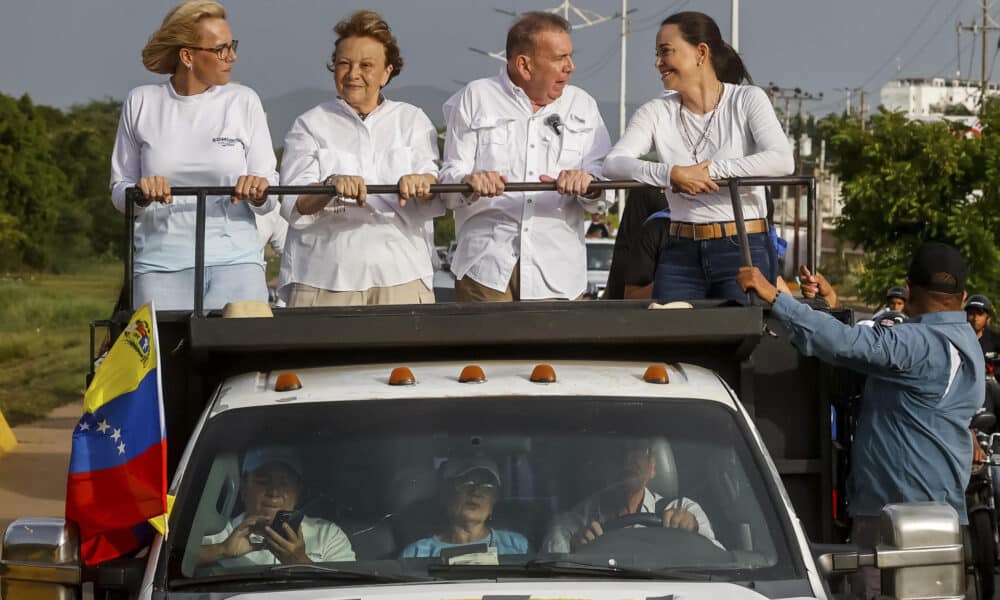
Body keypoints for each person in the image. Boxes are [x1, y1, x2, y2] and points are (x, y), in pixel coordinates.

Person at [737, 242, 984, 599]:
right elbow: (872, 349)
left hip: (897, 518)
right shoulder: (966, 342)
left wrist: (777, 298)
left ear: (909, 290)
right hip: (941, 518)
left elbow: (845, 344)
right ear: (961, 296)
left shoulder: (919, 343)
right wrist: (828, 307)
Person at [602, 11, 793, 305]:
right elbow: (613, 163)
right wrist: (672, 174)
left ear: (701, 52)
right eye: (657, 54)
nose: (658, 63)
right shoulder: (655, 111)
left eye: (666, 52)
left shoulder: (747, 99)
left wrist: (712, 172)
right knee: (672, 340)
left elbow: (782, 160)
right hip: (680, 249)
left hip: (742, 247)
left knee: (739, 341)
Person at [110, 0, 278, 310]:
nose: (233, 57)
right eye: (221, 49)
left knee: (246, 357)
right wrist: (142, 194)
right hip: (159, 266)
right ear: (187, 56)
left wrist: (257, 190)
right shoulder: (141, 102)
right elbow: (121, 193)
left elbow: (270, 197)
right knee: (168, 359)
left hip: (237, 262)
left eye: (232, 46)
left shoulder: (244, 101)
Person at [440, 11, 613, 302]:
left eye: (570, 56)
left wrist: (588, 182)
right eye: (560, 58)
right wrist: (469, 182)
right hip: (485, 266)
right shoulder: (475, 97)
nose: (570, 67)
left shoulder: (583, 105)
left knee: (553, 350)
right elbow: (449, 180)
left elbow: (603, 190)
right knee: (485, 348)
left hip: (557, 273)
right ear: (524, 64)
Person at [277, 10, 443, 307]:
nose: (353, 74)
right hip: (323, 278)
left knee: (406, 356)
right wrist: (330, 186)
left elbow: (434, 188)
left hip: (402, 274)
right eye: (344, 64)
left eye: (366, 65)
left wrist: (424, 182)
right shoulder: (309, 124)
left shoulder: (413, 120)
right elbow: (293, 202)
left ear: (387, 72)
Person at [542, 438, 719, 553]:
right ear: (602, 466)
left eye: (637, 448)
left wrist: (693, 535)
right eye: (617, 450)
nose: (627, 458)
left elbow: (720, 564)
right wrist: (575, 555)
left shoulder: (685, 511)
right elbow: (551, 584)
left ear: (653, 467)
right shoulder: (569, 527)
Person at [199, 447, 355, 566]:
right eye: (264, 481)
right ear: (244, 487)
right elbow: (177, 563)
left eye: (284, 483)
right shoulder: (216, 533)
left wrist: (300, 563)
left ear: (298, 490)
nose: (274, 492)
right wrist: (222, 551)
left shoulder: (327, 535)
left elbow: (350, 592)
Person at [401, 457, 529, 558]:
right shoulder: (416, 553)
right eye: (467, 483)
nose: (476, 492)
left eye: (487, 486)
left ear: (493, 502)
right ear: (445, 494)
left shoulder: (519, 546)